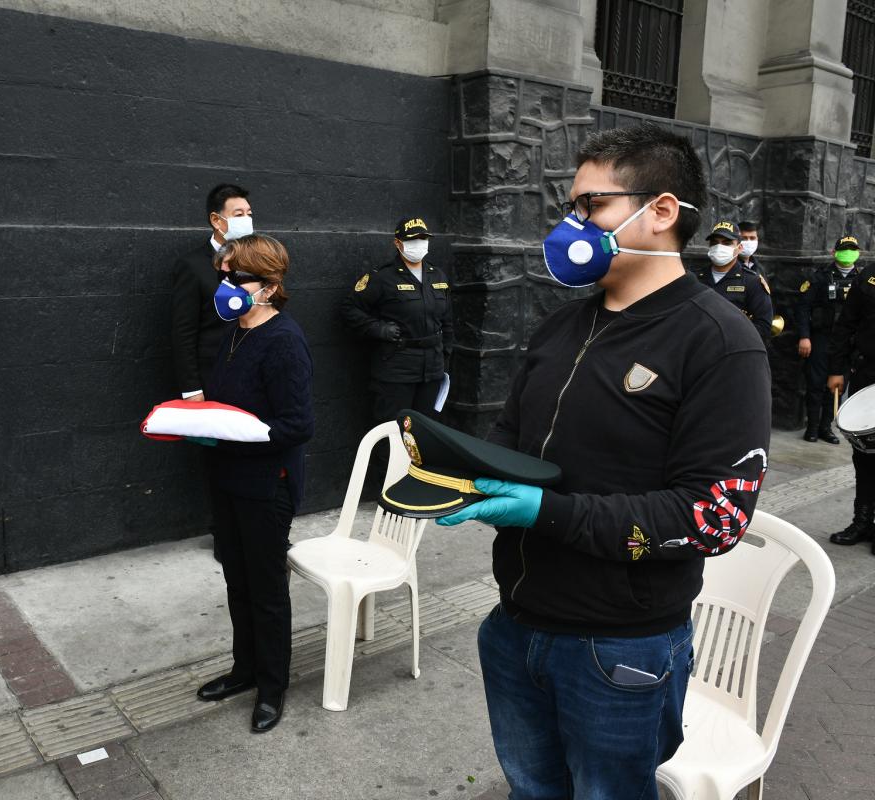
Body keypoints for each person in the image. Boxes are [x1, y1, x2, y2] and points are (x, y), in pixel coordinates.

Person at [436, 123, 771, 799]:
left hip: (619, 651)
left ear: (663, 211)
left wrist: (545, 512)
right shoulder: (563, 324)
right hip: (515, 626)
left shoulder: (720, 342)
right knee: (533, 788)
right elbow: (511, 437)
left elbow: (714, 516)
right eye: (572, 205)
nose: (572, 222)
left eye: (592, 205)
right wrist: (455, 470)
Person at [190, 235, 313, 734]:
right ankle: (245, 670)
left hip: (267, 485)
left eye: (237, 277)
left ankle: (272, 687)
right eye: (223, 274)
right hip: (227, 478)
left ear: (270, 285)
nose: (226, 285)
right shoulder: (234, 333)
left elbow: (297, 424)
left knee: (265, 589)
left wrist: (241, 433)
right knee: (236, 580)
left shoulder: (284, 341)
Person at [341, 217, 454, 423]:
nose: (418, 244)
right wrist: (377, 329)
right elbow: (350, 308)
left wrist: (446, 352)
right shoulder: (382, 277)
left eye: (423, 238)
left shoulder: (437, 276)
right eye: (412, 239)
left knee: (425, 431)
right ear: (397, 243)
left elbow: (446, 320)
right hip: (396, 368)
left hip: (432, 369)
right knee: (392, 432)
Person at [171, 183, 254, 402]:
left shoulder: (257, 262)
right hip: (214, 377)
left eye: (249, 214)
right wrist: (192, 389)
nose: (246, 219)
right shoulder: (192, 266)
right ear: (217, 220)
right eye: (238, 214)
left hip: (253, 373)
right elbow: (183, 333)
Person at [826, 235, 875, 549]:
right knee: (864, 455)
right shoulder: (868, 278)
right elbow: (845, 325)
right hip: (867, 376)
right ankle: (862, 520)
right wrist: (836, 369)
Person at [795, 235, 864, 443]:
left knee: (836, 386)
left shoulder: (862, 279)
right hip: (821, 338)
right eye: (845, 249)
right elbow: (802, 307)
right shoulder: (820, 277)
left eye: (853, 249)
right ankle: (813, 428)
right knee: (815, 384)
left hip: (846, 343)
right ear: (834, 252)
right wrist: (804, 337)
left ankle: (827, 427)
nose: (849, 253)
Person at [694, 219, 773, 342]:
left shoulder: (752, 282)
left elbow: (763, 326)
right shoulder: (695, 278)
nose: (719, 247)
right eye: (714, 243)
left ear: (739, 247)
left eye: (727, 243)